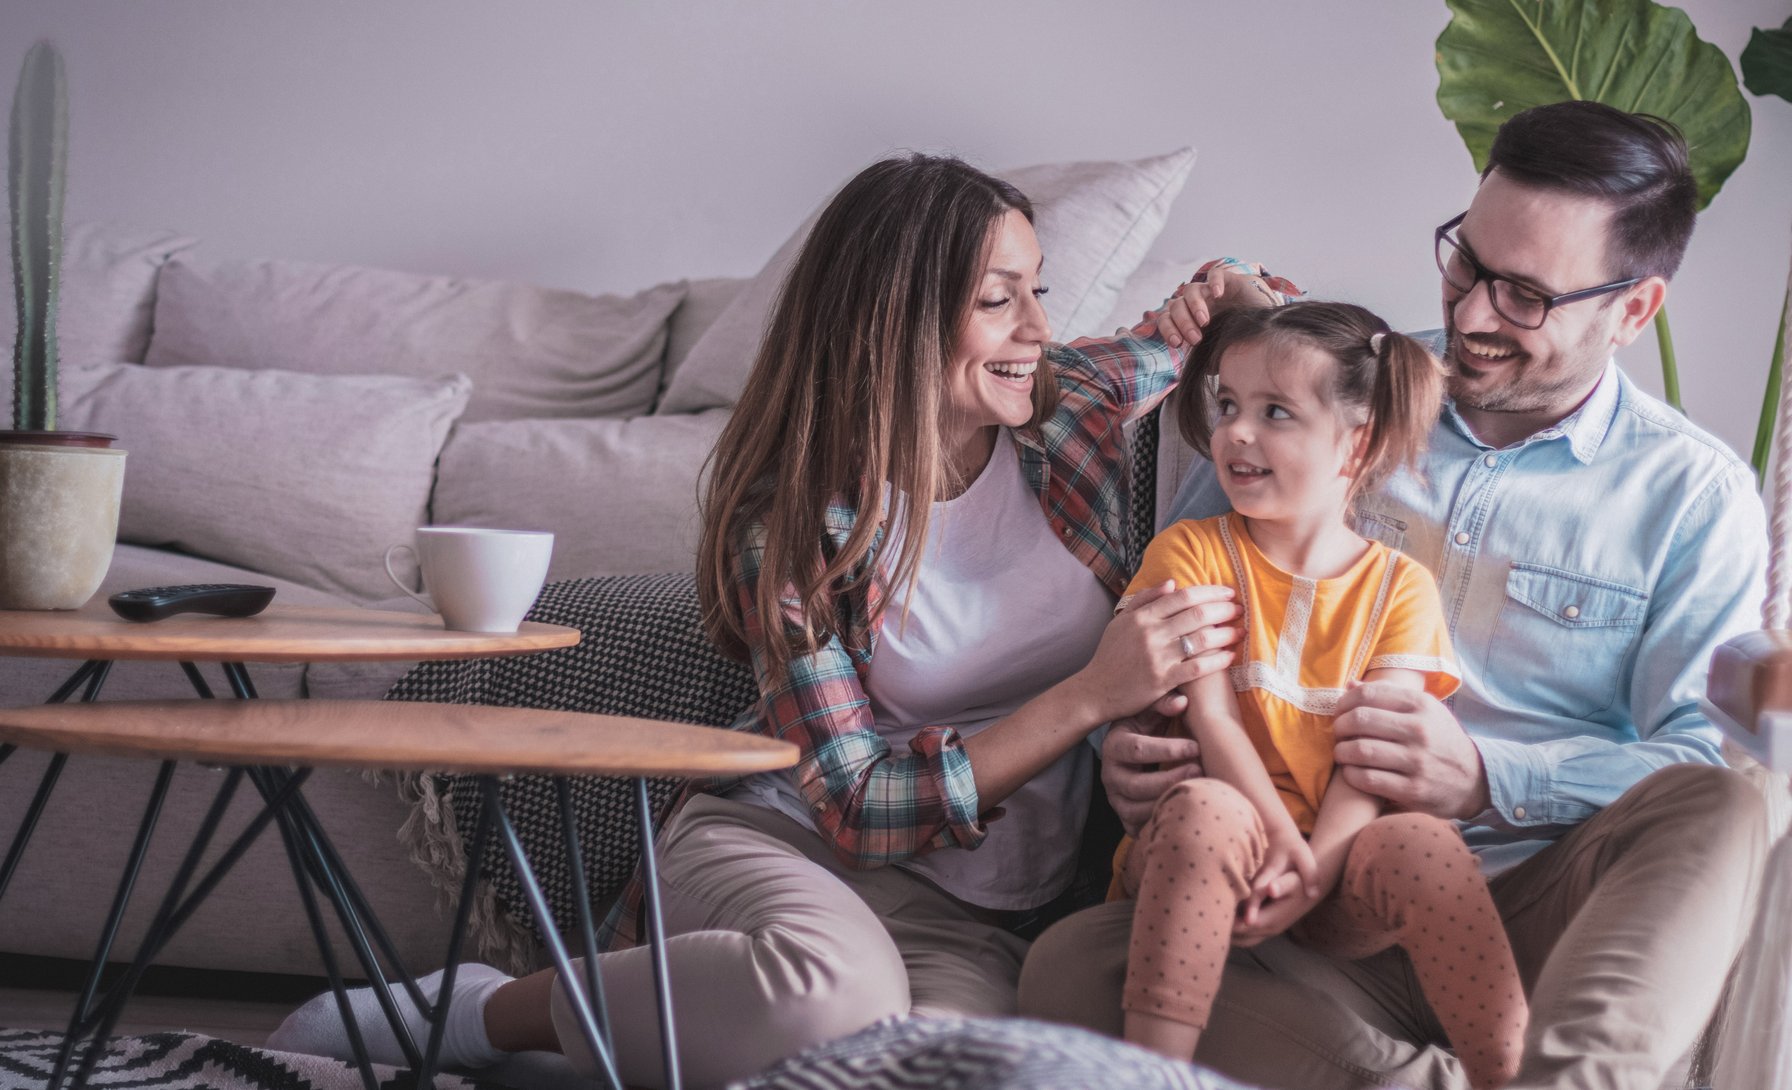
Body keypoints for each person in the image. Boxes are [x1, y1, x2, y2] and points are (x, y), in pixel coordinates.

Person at [267, 154, 1266, 1089]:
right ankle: (492, 1015)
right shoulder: (792, 525)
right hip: (791, 850)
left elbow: (1249, 362)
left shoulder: (1064, 408)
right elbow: (856, 804)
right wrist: (1091, 695)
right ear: (896, 320)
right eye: (999, 301)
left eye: (1037, 291)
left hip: (975, 916)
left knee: (968, 1070)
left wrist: (1235, 301)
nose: (1038, 328)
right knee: (830, 999)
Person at [1018, 100, 1771, 1090]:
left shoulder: (1691, 497)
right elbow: (1172, 622)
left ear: (1632, 310)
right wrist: (1125, 747)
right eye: (1465, 260)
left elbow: (1687, 758)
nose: (1469, 314)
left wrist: (1489, 778)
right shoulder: (1321, 397)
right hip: (1299, 921)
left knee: (1725, 804)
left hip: (1542, 922)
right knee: (1072, 968)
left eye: (1526, 297)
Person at [1114, 301, 1526, 1089]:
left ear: (1356, 445)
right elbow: (1210, 715)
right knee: (1208, 811)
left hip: (1332, 869)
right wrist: (1283, 849)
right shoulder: (1191, 550)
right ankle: (1146, 1076)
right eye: (1228, 405)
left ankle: (1514, 1075)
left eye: (1276, 413)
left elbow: (1371, 763)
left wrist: (1314, 873)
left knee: (1428, 847)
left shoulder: (1401, 588)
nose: (1236, 432)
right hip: (1209, 850)